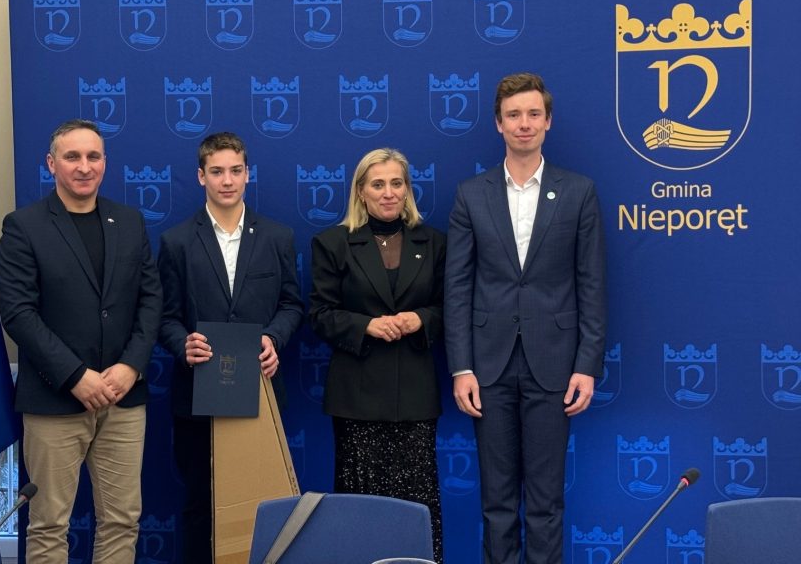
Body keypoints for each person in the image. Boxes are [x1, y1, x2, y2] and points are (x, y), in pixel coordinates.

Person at [445, 72, 606, 564]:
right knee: (496, 504)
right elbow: (457, 288)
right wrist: (461, 367)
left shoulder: (578, 191)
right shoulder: (471, 194)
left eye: (534, 114)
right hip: (487, 369)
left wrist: (586, 365)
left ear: (548, 121)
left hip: (554, 365)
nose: (524, 123)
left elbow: (592, 284)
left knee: (545, 502)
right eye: (513, 115)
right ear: (498, 123)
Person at [0, 119, 162, 563]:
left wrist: (131, 366)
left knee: (123, 519)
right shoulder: (23, 226)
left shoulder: (130, 222)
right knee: (49, 523)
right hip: (55, 399)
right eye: (72, 157)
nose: (84, 166)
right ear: (51, 164)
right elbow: (18, 314)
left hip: (124, 398)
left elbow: (151, 300)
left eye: (93, 156)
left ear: (105, 162)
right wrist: (75, 376)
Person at [157, 132, 303, 563]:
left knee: (264, 505)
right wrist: (182, 343)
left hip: (260, 393)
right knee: (200, 506)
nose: (227, 180)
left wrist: (274, 337)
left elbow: (292, 304)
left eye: (235, 171)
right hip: (197, 397)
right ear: (201, 176)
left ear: (247, 174)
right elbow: (163, 316)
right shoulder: (176, 242)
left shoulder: (277, 236)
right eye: (217, 171)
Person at [309, 147, 446, 562]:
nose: (388, 193)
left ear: (407, 190)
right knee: (360, 513)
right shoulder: (332, 243)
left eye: (396, 183)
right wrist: (364, 325)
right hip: (357, 400)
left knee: (417, 509)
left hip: (415, 399)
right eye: (378, 184)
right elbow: (319, 315)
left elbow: (452, 309)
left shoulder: (434, 242)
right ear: (361, 192)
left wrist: (421, 318)